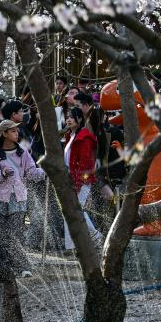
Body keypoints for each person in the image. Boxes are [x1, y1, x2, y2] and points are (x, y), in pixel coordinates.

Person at [0, 120, 46, 277]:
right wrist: (2, 174)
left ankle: (22, 266)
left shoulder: (24, 153)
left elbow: (31, 172)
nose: (17, 133)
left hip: (18, 198)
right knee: (0, 235)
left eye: (17, 131)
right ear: (4, 133)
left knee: (16, 233)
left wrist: (45, 173)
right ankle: (4, 266)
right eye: (13, 131)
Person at [63, 107, 101, 251]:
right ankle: (71, 245)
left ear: (79, 119)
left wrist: (78, 182)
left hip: (81, 180)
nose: (68, 119)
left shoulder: (84, 137)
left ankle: (95, 237)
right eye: (67, 117)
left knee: (75, 210)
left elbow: (85, 163)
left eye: (71, 117)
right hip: (70, 179)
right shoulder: (70, 135)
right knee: (70, 210)